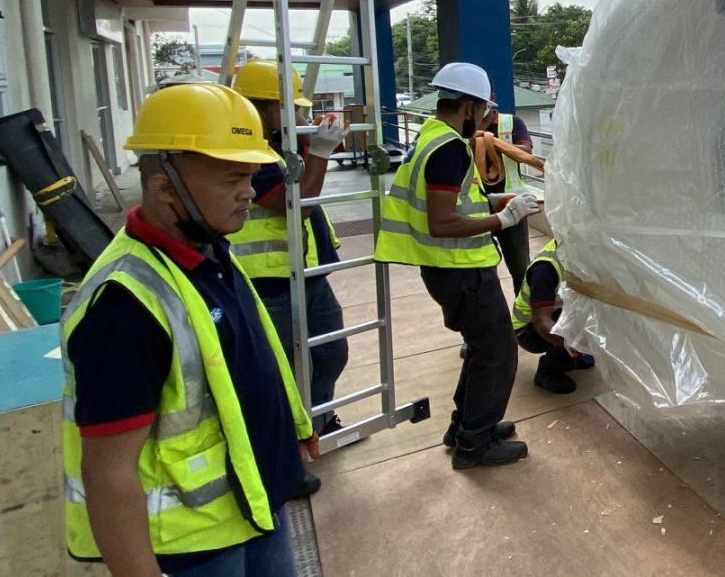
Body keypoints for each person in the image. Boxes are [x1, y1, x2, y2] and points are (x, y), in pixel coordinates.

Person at [61, 82, 314, 576]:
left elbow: (247, 358)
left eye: (251, 176)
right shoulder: (123, 305)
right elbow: (108, 469)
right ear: (163, 187)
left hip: (255, 501)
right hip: (194, 544)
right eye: (232, 179)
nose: (249, 192)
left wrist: (292, 430)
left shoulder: (207, 248)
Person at [376, 62, 541, 470]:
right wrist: (502, 220)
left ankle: (464, 427)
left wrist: (497, 201)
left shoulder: (431, 136)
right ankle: (475, 444)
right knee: (497, 354)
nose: (484, 119)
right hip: (460, 270)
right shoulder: (450, 148)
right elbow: (442, 221)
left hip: (448, 268)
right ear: (468, 106)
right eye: (482, 110)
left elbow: (453, 203)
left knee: (483, 350)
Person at [230, 61, 351, 462]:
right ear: (265, 108)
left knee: (329, 352)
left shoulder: (274, 149)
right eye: (292, 109)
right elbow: (296, 205)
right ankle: (284, 449)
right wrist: (320, 151)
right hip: (268, 282)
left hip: (304, 274)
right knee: (280, 369)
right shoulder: (248, 156)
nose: (298, 117)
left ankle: (318, 422)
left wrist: (315, 144)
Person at [472, 96, 541, 295]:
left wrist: (492, 143)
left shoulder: (511, 123)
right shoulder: (466, 126)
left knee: (520, 266)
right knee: (480, 268)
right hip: (478, 206)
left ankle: (523, 309)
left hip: (512, 205)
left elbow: (526, 151)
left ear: (491, 99)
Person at [511, 239, 595, 394]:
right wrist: (570, 342)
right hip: (528, 329)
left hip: (554, 312)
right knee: (571, 323)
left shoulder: (573, 250)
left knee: (584, 312)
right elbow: (541, 320)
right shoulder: (546, 268)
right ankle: (548, 371)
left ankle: (570, 357)